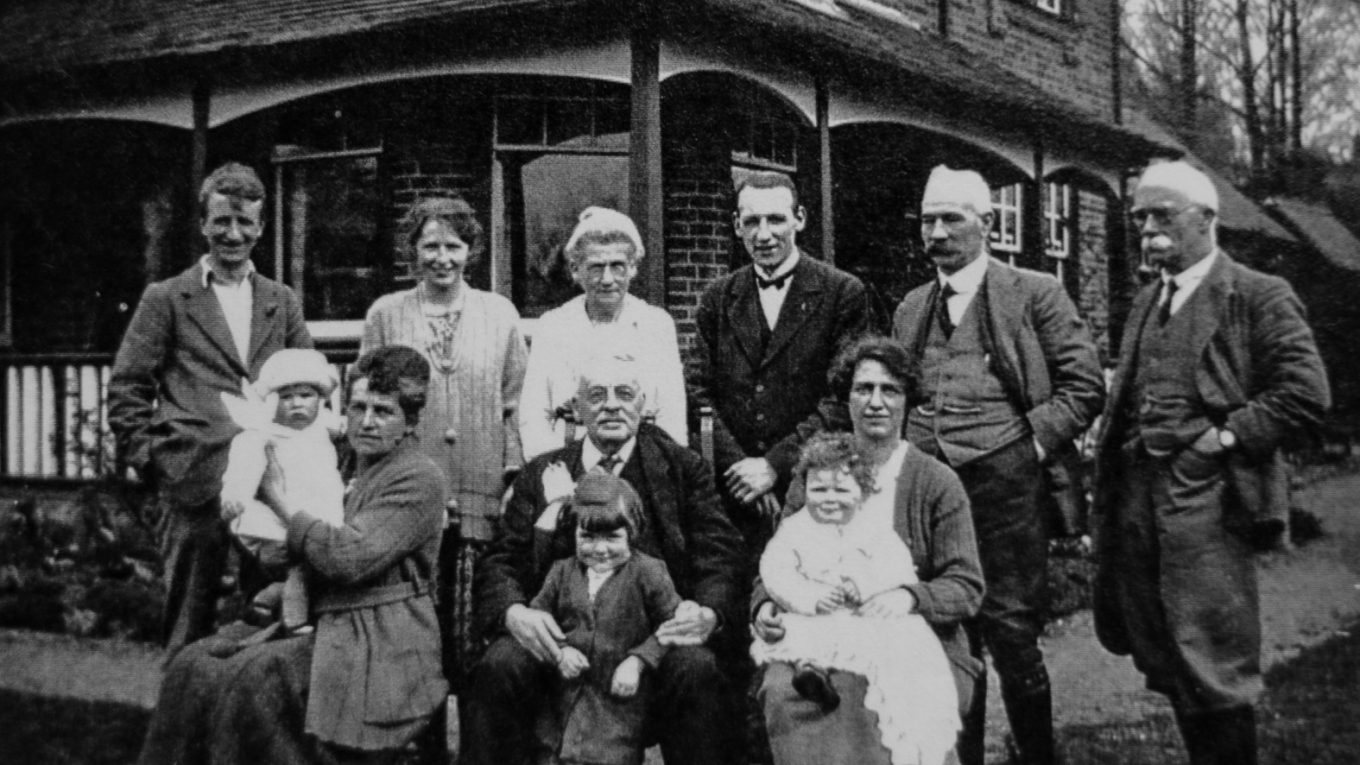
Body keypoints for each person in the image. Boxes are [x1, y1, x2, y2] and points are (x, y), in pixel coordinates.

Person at [1092, 160, 1329, 765]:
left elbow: (1304, 394)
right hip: (1143, 513)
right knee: (1170, 662)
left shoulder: (1256, 294)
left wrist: (1222, 440)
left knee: (1214, 667)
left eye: (1162, 215)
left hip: (1212, 513)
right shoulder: (1149, 301)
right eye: (1140, 217)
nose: (1147, 230)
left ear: (1207, 219)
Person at [137, 345, 450, 765]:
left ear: (411, 421)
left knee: (254, 680)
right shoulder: (338, 460)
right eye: (357, 408)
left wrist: (273, 497)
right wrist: (252, 525)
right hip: (326, 614)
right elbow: (294, 552)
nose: (367, 422)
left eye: (383, 411)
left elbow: (347, 558)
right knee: (191, 665)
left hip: (382, 634)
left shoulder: (419, 477)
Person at [891, 165, 1105, 765]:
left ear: (987, 224)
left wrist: (1029, 449)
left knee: (1011, 634)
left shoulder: (1034, 293)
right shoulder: (911, 308)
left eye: (951, 219)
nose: (936, 232)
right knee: (946, 637)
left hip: (1006, 491)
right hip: (929, 497)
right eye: (928, 220)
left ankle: (1037, 756)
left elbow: (1085, 385)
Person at [464, 354, 746, 765]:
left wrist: (707, 612)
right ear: (576, 408)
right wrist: (513, 614)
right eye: (596, 395)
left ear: (643, 404)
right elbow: (501, 559)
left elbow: (720, 553)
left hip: (656, 644)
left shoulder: (684, 470)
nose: (611, 405)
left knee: (697, 668)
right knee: (500, 665)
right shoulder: (543, 472)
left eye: (624, 394)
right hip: (562, 643)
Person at [108, 161, 313, 654]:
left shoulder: (281, 301)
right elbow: (128, 387)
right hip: (193, 481)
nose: (233, 233)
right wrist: (156, 463)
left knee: (265, 617)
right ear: (203, 224)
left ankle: (248, 726)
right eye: (221, 221)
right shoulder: (167, 298)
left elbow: (307, 377)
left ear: (262, 228)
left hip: (268, 485)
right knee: (188, 622)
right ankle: (179, 726)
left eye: (245, 222)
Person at [753, 335, 984, 765]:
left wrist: (908, 596)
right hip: (816, 638)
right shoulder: (816, 475)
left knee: (875, 693)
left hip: (916, 641)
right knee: (786, 693)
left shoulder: (935, 482)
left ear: (907, 400)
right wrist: (765, 607)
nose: (876, 402)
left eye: (889, 389)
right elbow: (781, 560)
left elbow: (966, 585)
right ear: (847, 397)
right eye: (863, 389)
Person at [361, 195, 527, 684]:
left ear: (470, 250)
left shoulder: (500, 314)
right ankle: (420, 745)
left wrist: (513, 472)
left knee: (476, 641)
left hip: (483, 489)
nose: (442, 258)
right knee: (413, 632)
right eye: (430, 246)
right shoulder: (386, 315)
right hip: (411, 493)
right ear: (413, 251)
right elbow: (367, 406)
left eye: (453, 247)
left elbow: (514, 402)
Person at [690, 170, 871, 561]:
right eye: (752, 221)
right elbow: (698, 394)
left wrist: (775, 465)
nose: (764, 234)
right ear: (737, 226)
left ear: (800, 219)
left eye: (776, 219)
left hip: (812, 485)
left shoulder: (843, 293)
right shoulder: (717, 298)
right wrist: (741, 468)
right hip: (732, 492)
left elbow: (842, 399)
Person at [753, 431, 960, 765]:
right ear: (804, 489)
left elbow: (899, 568)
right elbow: (775, 572)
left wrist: (864, 586)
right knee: (801, 639)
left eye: (841, 489)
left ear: (863, 492)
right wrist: (810, 598)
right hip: (812, 617)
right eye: (818, 490)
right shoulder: (795, 529)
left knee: (901, 652)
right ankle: (810, 670)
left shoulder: (875, 529)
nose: (828, 499)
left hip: (864, 619)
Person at [529, 471, 683, 765]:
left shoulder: (648, 572)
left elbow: (672, 626)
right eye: (587, 537)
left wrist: (638, 662)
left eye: (613, 537)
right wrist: (559, 652)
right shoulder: (562, 571)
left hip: (617, 703)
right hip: (563, 699)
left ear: (633, 533)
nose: (600, 549)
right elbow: (538, 616)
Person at [519, 206, 687, 460]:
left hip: (644, 461)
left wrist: (659, 475)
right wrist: (552, 475)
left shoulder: (656, 325)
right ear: (576, 270)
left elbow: (671, 417)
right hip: (567, 460)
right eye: (596, 267)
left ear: (633, 267)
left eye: (618, 266)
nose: (607, 279)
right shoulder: (552, 327)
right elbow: (534, 417)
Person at [219, 348, 343, 633]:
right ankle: (293, 618)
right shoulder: (264, 436)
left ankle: (268, 599)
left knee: (316, 566)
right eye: (286, 397)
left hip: (312, 517)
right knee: (305, 564)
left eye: (306, 396)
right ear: (271, 402)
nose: (297, 405)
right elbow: (243, 468)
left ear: (321, 399)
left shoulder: (320, 427)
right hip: (277, 527)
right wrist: (234, 497)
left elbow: (339, 428)